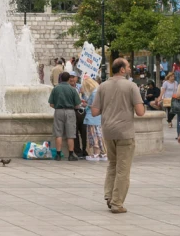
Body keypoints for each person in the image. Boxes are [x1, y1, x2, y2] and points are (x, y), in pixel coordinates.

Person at [90, 58, 145, 214]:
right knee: (123, 169)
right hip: (125, 132)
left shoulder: (102, 86)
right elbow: (140, 112)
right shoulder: (131, 86)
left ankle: (109, 196)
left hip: (108, 131)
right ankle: (117, 203)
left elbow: (94, 111)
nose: (129, 69)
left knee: (112, 164)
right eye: (127, 67)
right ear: (121, 69)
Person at [48, 71, 81, 161]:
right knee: (70, 134)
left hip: (58, 111)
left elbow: (51, 104)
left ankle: (58, 154)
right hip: (70, 112)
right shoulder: (72, 89)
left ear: (61, 78)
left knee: (58, 133)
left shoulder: (56, 89)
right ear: (68, 79)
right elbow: (77, 104)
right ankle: (71, 154)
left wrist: (58, 107)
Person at [81, 77, 106, 162]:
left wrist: (86, 105)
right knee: (98, 135)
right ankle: (102, 153)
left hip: (92, 117)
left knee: (94, 135)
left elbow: (95, 106)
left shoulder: (94, 93)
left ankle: (96, 153)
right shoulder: (98, 91)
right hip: (97, 118)